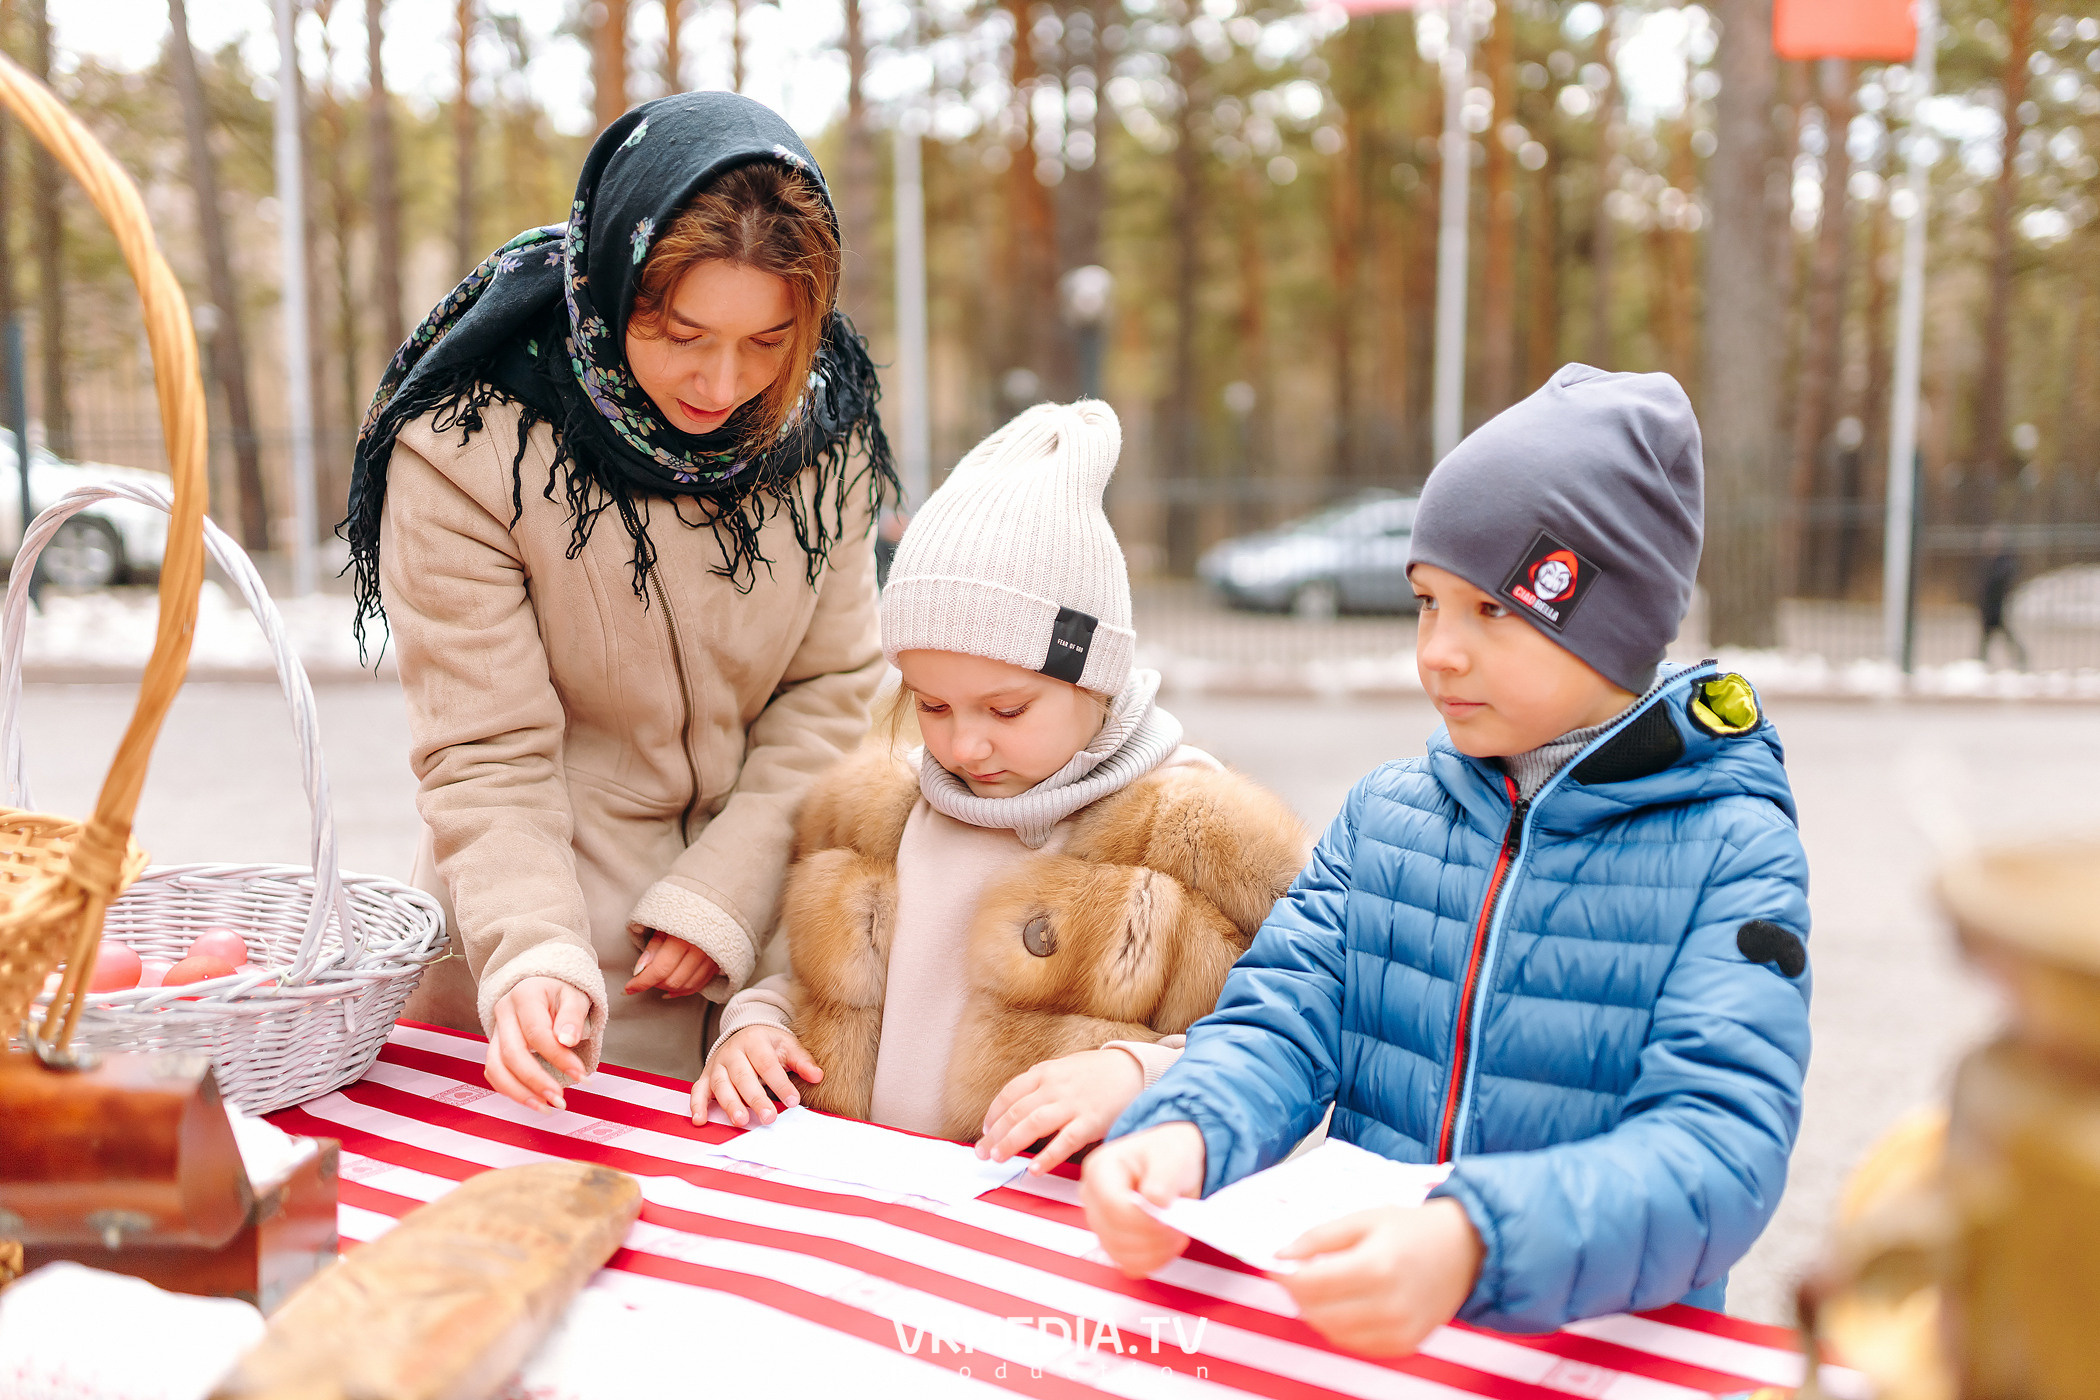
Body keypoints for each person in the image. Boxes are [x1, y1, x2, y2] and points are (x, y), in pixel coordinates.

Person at [1081, 365, 1813, 1353]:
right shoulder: (1386, 816)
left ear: (1613, 620)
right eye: (1428, 601)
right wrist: (1185, 1129)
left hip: (1598, 1360)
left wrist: (1475, 1240)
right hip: (1380, 1341)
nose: (1437, 651)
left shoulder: (1731, 848)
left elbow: (1717, 1152)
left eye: (1491, 610)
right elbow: (1281, 1019)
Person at [341, 92, 894, 1110]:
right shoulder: (469, 448)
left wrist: (726, 893)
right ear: (615, 281)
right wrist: (532, 952)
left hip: (760, 970)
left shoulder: (825, 430)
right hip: (534, 957)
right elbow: (486, 750)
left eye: (768, 341)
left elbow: (834, 691)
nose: (721, 383)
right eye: (682, 333)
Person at [695, 401, 1309, 1170]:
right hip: (870, 1206)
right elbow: (806, 989)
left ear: (1093, 678)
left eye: (1007, 709)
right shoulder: (878, 818)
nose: (964, 744)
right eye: (932, 706)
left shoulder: (1200, 845)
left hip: (1056, 1228)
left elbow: (1276, 1050)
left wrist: (1137, 1073)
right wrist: (756, 1026)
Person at [1977, 528, 2027, 669]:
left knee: (2000, 635)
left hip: (1997, 606)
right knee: (1990, 637)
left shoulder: (2003, 563)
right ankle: (1981, 659)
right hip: (1990, 606)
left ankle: (2020, 656)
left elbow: (1997, 584)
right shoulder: (1992, 562)